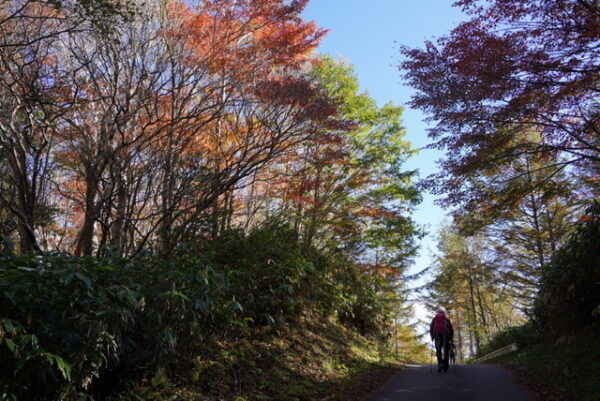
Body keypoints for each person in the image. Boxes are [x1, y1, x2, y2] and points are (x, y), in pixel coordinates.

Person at [430, 306, 454, 373]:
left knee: (438, 351)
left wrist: (432, 337)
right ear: (444, 313)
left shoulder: (434, 320)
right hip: (446, 338)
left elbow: (431, 328)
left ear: (437, 312)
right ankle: (445, 367)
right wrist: (451, 339)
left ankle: (440, 363)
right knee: (446, 352)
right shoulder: (447, 320)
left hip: (437, 337)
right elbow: (451, 330)